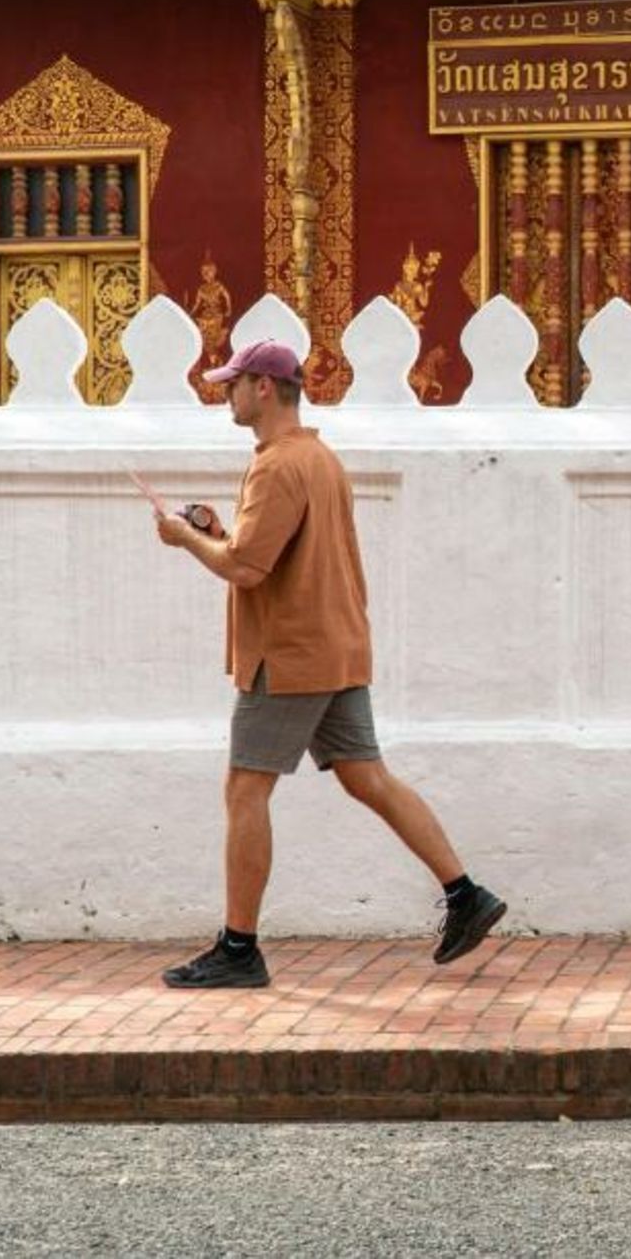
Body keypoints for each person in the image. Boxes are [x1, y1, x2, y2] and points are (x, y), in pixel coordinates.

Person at [152, 339, 506, 988]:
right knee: (366, 776)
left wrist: (185, 538)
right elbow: (267, 550)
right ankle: (465, 894)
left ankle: (238, 948)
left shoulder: (276, 466)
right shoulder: (318, 458)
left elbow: (246, 568)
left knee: (245, 789)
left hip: (288, 655)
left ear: (263, 387)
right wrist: (215, 531)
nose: (226, 395)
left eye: (234, 384)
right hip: (336, 643)